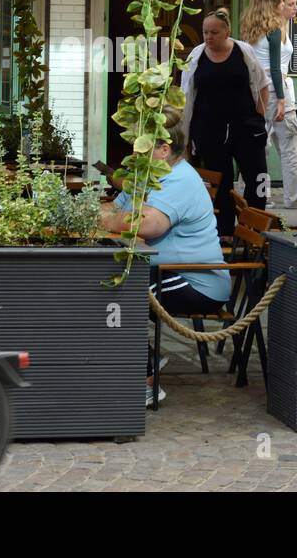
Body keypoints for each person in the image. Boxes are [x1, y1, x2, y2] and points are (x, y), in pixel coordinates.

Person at [99, 107, 230, 408]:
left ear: (163, 149)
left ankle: (146, 382)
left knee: (122, 294)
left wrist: (112, 220)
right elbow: (116, 210)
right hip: (167, 272)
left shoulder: (179, 179)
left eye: (141, 147)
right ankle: (146, 361)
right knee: (107, 287)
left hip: (196, 281)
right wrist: (113, 218)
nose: (134, 152)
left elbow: (144, 224)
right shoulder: (149, 174)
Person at [181, 8, 269, 238]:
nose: (209, 37)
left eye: (214, 32)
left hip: (246, 127)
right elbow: (186, 95)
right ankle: (224, 231)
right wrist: (186, 135)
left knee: (257, 178)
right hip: (209, 129)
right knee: (221, 183)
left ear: (227, 32)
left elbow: (262, 83)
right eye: (205, 32)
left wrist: (260, 114)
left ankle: (254, 228)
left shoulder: (244, 51)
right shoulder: (197, 57)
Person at [241, 0, 297, 208]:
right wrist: (282, 99)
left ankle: (258, 195)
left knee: (257, 147)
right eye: (282, 2)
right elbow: (275, 68)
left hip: (255, 91)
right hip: (275, 89)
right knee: (290, 146)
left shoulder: (249, 27)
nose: (285, 5)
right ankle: (293, 198)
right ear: (274, 4)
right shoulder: (275, 29)